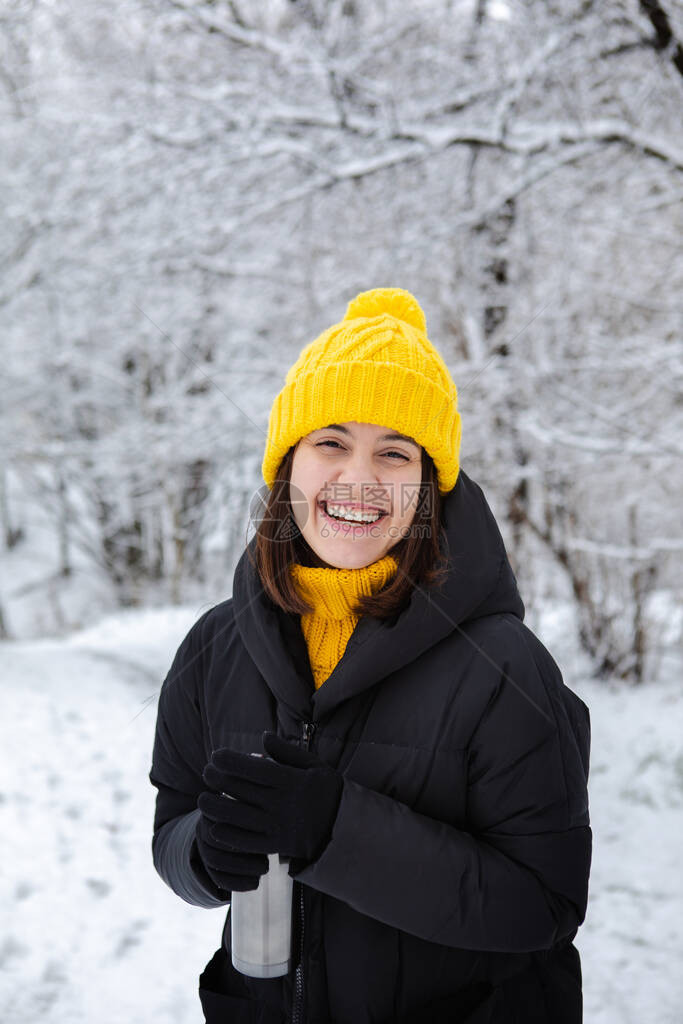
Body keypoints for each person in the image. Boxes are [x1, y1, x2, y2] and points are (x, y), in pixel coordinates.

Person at [149, 287, 592, 1024]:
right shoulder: (213, 648)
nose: (358, 478)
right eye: (330, 442)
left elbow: (540, 907)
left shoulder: (504, 668)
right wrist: (203, 854)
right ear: (287, 464)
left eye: (393, 453)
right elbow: (172, 829)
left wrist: (336, 832)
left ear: (428, 488)